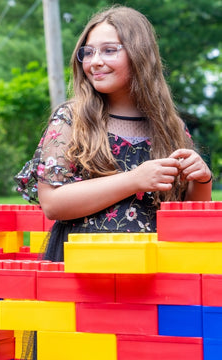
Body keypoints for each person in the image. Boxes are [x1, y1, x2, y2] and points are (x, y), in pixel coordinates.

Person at [15, 5, 212, 266]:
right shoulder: (72, 119)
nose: (95, 61)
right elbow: (53, 203)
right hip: (84, 270)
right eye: (89, 52)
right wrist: (135, 180)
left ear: (140, 55)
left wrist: (202, 180)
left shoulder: (169, 125)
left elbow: (187, 216)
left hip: (154, 271)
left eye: (109, 50)